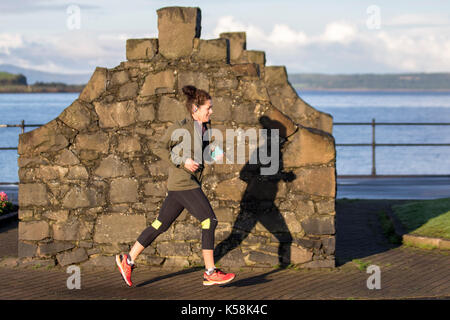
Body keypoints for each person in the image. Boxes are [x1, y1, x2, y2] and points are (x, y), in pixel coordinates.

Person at [116, 85, 235, 287]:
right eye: (209, 108)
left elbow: (206, 148)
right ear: (195, 109)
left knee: (160, 225)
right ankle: (210, 272)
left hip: (185, 184)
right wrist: (183, 161)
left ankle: (128, 260)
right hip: (183, 182)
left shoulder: (205, 126)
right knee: (209, 220)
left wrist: (216, 153)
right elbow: (159, 148)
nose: (211, 111)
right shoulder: (181, 127)